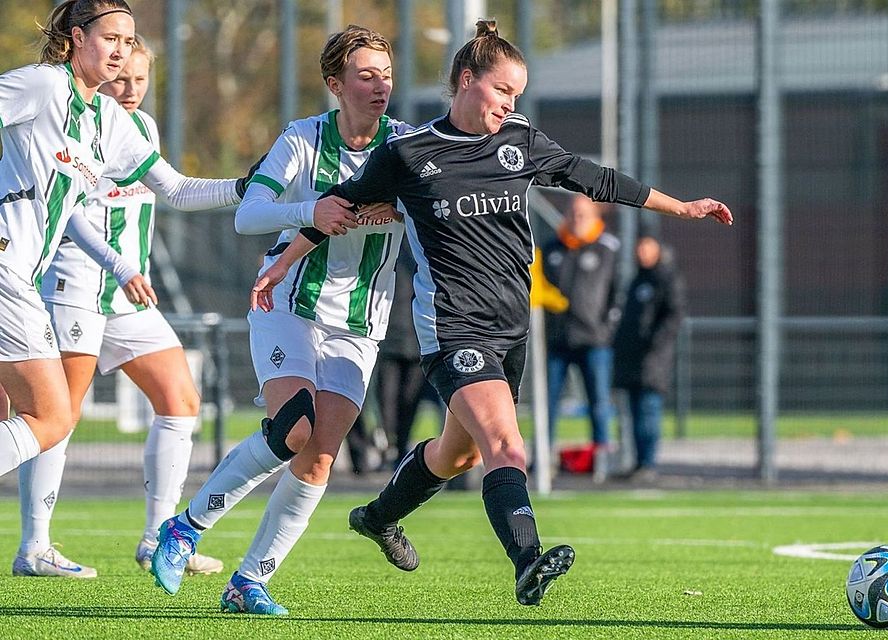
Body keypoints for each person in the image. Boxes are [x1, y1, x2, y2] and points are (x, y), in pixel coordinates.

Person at [252, 20, 733, 607]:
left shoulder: (521, 142)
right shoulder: (407, 153)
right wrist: (282, 263)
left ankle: (378, 517)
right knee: (508, 445)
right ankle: (528, 562)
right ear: (465, 80)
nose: (510, 104)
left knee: (459, 453)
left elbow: (597, 179)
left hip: (512, 328)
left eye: (517, 95)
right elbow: (338, 208)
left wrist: (680, 206)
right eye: (502, 90)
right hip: (453, 328)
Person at [150, 25, 413, 616]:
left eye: (386, 75)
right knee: (295, 426)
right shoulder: (301, 138)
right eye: (365, 75)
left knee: (319, 453)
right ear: (335, 84)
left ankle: (248, 581)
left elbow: (426, 209)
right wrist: (309, 209)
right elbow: (249, 214)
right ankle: (186, 528)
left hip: (359, 320)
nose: (380, 86)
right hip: (286, 301)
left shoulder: (406, 146)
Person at [12, 34, 238, 580]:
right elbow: (67, 213)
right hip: (79, 285)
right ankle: (34, 546)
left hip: (130, 296)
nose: (129, 87)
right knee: (56, 418)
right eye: (120, 77)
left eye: (140, 78)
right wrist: (119, 264)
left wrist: (255, 186)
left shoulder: (137, 128)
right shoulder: (68, 113)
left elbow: (178, 190)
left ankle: (157, 537)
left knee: (180, 398)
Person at [540, 194, 619, 482]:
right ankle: (543, 456)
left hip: (594, 340)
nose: (577, 219)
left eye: (583, 214)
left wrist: (606, 326)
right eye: (573, 213)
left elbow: (615, 292)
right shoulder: (551, 248)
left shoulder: (607, 248)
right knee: (548, 402)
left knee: (598, 401)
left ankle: (602, 460)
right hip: (558, 340)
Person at [613, 228, 686, 482]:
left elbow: (673, 316)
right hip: (631, 358)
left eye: (647, 246)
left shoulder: (666, 278)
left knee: (648, 411)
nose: (642, 251)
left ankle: (649, 463)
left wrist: (655, 344)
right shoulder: (637, 279)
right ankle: (638, 463)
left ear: (658, 248)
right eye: (639, 246)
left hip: (653, 360)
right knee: (633, 413)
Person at [373, 238, 428, 469]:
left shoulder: (422, 251)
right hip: (388, 338)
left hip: (417, 341)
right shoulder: (387, 248)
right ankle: (390, 446)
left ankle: (401, 447)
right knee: (386, 399)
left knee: (410, 399)